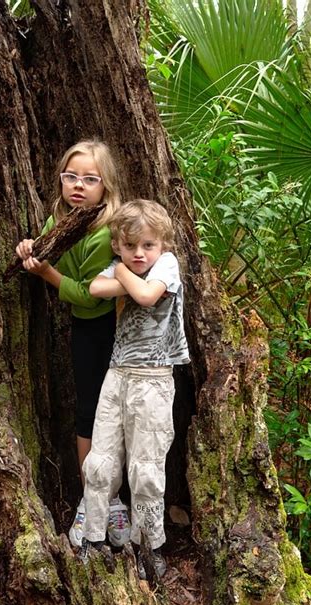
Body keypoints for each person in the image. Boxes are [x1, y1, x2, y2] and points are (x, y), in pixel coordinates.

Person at [15, 140, 131, 549]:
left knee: (117, 417)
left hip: (117, 331)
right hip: (85, 333)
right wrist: (30, 249)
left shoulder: (110, 231)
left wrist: (45, 273)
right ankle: (92, 497)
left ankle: (114, 498)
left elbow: (88, 294)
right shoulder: (62, 219)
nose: (78, 185)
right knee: (88, 413)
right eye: (70, 177)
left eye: (90, 179)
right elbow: (43, 250)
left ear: (107, 186)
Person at [82, 199, 190, 578]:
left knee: (145, 470)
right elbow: (95, 287)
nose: (139, 253)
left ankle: (150, 547)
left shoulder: (168, 265)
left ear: (162, 244)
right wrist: (125, 273)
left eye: (148, 245)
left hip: (154, 382)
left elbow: (146, 296)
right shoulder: (126, 267)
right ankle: (93, 540)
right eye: (130, 247)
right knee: (100, 461)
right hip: (118, 375)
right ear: (118, 245)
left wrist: (124, 274)